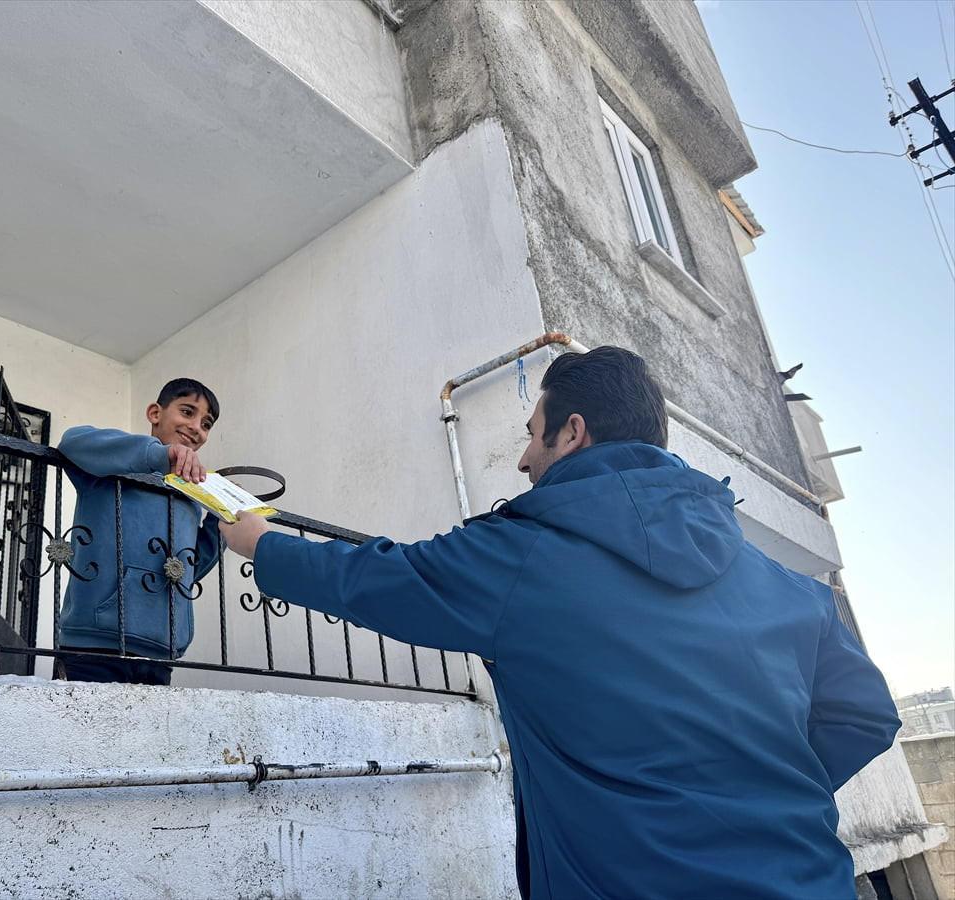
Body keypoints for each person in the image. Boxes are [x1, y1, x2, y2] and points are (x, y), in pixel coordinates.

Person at [220, 347, 900, 899]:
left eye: (530, 435)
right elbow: (866, 718)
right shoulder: (786, 588)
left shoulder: (519, 558)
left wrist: (258, 539)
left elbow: (377, 579)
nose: (522, 459)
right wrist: (757, 794)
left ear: (572, 432)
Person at [57, 378, 222, 686]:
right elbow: (72, 441)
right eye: (187, 412)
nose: (197, 427)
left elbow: (189, 570)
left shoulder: (191, 497)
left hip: (161, 649)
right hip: (96, 644)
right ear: (154, 413)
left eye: (206, 423)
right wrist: (158, 455)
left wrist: (222, 522)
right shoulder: (110, 467)